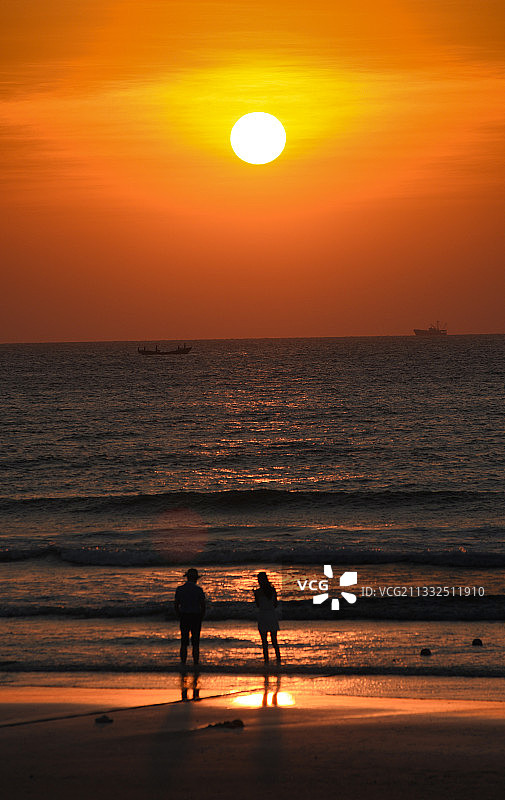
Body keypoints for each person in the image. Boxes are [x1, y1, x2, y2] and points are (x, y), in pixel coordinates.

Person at [174, 568, 206, 666]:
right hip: (196, 616)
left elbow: (176, 605)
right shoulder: (199, 590)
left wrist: (179, 615)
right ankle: (195, 663)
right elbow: (203, 606)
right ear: (195, 579)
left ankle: (183, 663)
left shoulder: (180, 589)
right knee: (195, 643)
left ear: (187, 577)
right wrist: (201, 616)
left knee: (184, 642)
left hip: (184, 616)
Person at [254, 571, 281, 665]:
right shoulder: (273, 590)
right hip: (272, 615)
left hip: (263, 616)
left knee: (264, 643)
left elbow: (258, 605)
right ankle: (278, 661)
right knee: (274, 641)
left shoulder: (257, 592)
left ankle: (266, 662)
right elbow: (275, 605)